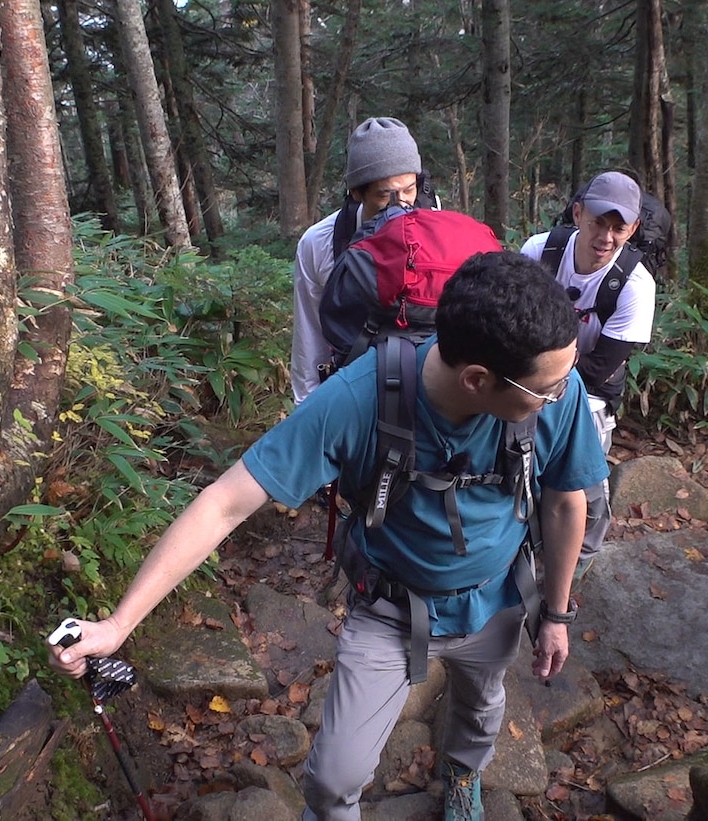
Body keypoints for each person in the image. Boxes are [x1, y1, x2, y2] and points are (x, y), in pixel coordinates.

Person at [50, 252, 607, 820]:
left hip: (495, 598)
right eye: (550, 388)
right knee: (333, 778)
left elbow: (565, 502)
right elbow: (223, 504)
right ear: (477, 380)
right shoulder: (358, 400)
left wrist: (555, 615)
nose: (563, 394)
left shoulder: (547, 389)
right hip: (393, 611)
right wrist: (119, 625)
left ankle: (463, 774)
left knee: (482, 703)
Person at [520, 171, 656, 580]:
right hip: (523, 375)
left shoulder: (634, 284)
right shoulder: (540, 251)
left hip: (589, 390)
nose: (606, 237)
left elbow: (601, 367)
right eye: (598, 222)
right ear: (578, 214)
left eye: (619, 227)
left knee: (583, 479)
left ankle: (577, 561)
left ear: (632, 229)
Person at [291, 117, 428, 404]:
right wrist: (307, 409)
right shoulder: (320, 243)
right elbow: (310, 337)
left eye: (409, 190)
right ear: (356, 192)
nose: (401, 204)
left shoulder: (437, 234)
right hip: (353, 390)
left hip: (426, 390)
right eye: (384, 195)